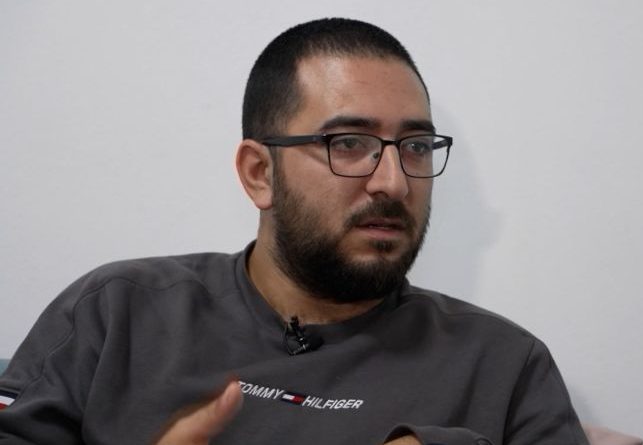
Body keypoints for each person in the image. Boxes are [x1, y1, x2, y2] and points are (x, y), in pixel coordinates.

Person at [0, 18, 589, 445]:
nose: (393, 182)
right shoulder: (117, 314)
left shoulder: (503, 366)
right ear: (260, 173)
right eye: (348, 142)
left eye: (415, 146)